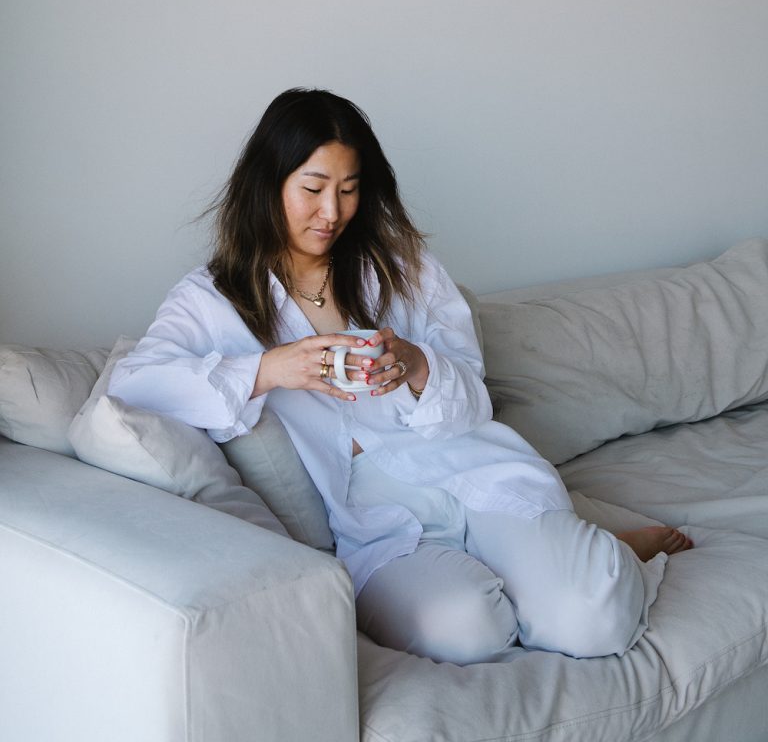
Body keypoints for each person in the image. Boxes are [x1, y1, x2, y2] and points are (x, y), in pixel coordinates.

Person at [109, 87, 692, 665]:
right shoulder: (213, 300)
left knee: (592, 615)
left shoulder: (400, 269)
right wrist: (268, 369)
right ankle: (568, 552)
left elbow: (471, 399)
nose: (332, 212)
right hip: (374, 518)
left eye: (349, 189)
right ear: (268, 184)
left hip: (467, 466)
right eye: (313, 189)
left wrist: (417, 365)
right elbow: (134, 384)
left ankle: (605, 555)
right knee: (466, 629)